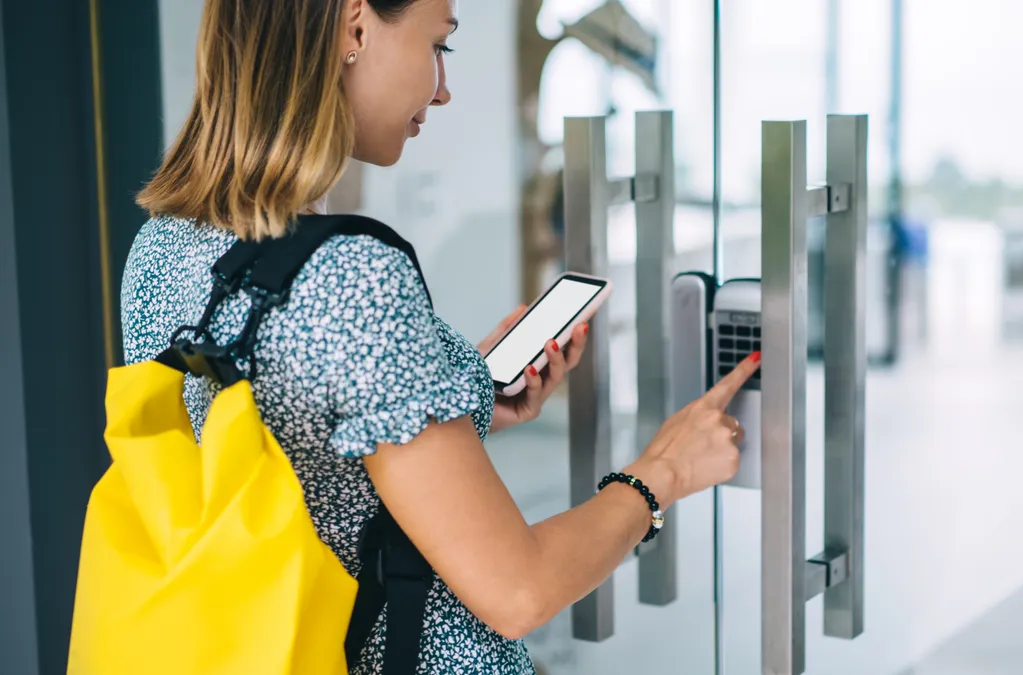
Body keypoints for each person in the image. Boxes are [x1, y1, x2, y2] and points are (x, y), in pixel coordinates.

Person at [121, 0, 760, 673]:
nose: (445, 87)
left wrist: (465, 395)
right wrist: (666, 469)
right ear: (356, 27)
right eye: (439, 46)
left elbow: (301, 462)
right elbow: (520, 589)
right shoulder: (352, 275)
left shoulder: (161, 248)